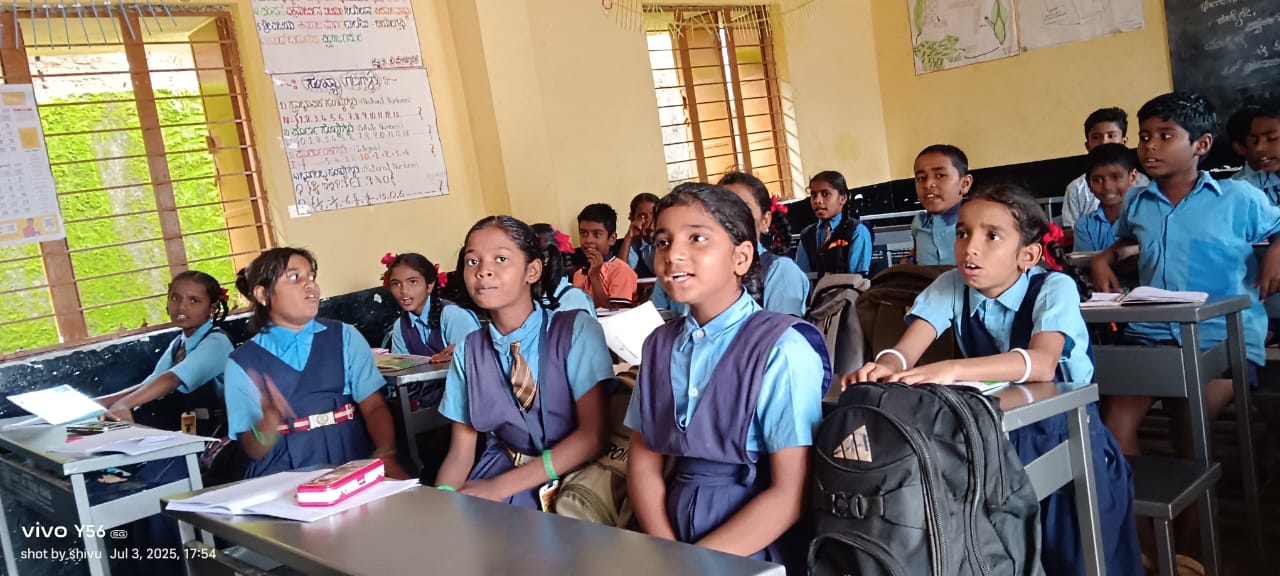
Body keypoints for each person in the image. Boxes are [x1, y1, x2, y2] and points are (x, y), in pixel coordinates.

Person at [849, 183, 1141, 576]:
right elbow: (905, 351)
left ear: (1028, 255)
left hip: (1067, 436)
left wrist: (952, 369)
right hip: (996, 438)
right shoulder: (951, 285)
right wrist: (886, 362)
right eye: (964, 233)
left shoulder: (1054, 288)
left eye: (992, 236)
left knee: (1075, 555)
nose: (971, 248)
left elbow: (1041, 364)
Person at [627, 182, 830, 567]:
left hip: (754, 544)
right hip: (670, 532)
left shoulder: (781, 347)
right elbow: (643, 463)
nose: (674, 255)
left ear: (741, 257)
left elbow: (791, 493)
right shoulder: (658, 346)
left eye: (697, 238)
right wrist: (669, 552)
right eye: (663, 242)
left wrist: (694, 564)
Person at [435, 216, 614, 509]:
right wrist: (443, 499)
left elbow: (592, 436)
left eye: (501, 259)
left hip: (576, 478)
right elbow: (460, 452)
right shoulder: (469, 350)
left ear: (532, 270)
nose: (483, 271)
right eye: (472, 262)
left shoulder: (575, 330)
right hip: (500, 470)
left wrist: (499, 487)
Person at [225, 247, 408, 479]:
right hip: (281, 472)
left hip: (349, 459)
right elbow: (252, 448)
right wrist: (269, 422)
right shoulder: (242, 362)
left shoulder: (345, 336)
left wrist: (385, 452)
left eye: (311, 277)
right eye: (294, 277)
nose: (310, 285)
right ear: (262, 294)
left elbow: (373, 405)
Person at [383, 252, 480, 363]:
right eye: (396, 284)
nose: (404, 290)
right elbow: (401, 369)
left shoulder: (453, 316)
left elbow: (475, 363)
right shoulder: (400, 326)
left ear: (429, 286)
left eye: (413, 282)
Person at [1061, 107, 1149, 228]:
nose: (1104, 142)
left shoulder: (1141, 182)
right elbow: (1070, 231)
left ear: (1124, 142)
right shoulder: (1076, 188)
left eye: (1111, 136)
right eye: (1096, 137)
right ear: (1087, 145)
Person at [795, 170, 873, 275]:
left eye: (825, 194)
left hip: (849, 290)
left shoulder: (857, 231)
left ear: (843, 198)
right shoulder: (807, 235)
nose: (817, 200)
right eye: (813, 195)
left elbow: (857, 279)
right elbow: (803, 277)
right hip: (816, 291)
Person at [911, 145, 973, 265]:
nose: (928, 184)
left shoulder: (977, 225)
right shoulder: (918, 224)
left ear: (965, 183)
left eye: (940, 175)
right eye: (921, 178)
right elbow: (916, 254)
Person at [1073, 143, 1140, 253]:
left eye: (1115, 177)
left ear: (1132, 177)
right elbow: (1084, 264)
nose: (1107, 187)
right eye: (1098, 180)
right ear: (1089, 184)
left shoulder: (1145, 218)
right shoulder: (1084, 225)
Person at [573, 203, 639, 307]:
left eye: (597, 234)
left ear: (612, 239)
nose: (588, 240)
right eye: (583, 233)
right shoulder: (579, 274)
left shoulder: (621, 270)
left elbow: (614, 314)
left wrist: (595, 277)